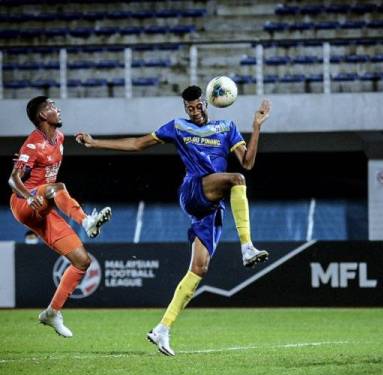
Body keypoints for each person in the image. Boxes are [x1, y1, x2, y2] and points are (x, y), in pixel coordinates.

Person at [75, 85, 271, 356]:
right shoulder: (178, 127)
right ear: (185, 109)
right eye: (189, 108)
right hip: (193, 190)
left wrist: (257, 126)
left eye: (198, 105)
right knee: (237, 179)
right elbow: (137, 144)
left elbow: (247, 162)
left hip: (211, 206)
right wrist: (95, 143)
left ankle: (162, 329)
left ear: (207, 103)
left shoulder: (227, 127)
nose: (195, 111)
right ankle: (247, 247)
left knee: (199, 269)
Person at [8, 96, 112, 337]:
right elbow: (13, 179)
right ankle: (86, 221)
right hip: (25, 203)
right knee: (57, 187)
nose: (57, 109)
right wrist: (28, 195)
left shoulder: (60, 138)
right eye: (51, 107)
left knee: (82, 261)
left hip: (44, 207)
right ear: (43, 115)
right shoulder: (32, 144)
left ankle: (52, 313)